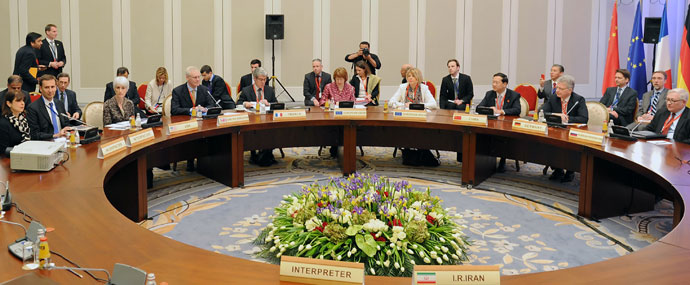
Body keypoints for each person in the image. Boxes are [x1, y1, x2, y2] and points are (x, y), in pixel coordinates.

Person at [541, 75, 588, 182]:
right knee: (549, 143)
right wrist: (556, 115)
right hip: (556, 131)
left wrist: (567, 118)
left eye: (560, 89)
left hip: (572, 132)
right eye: (556, 88)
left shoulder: (578, 100)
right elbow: (542, 112)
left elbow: (584, 118)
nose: (557, 91)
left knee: (570, 146)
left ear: (570, 90)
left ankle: (570, 170)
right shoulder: (553, 98)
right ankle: (558, 169)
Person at [478, 72, 521, 173]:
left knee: (503, 137)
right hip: (491, 124)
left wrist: (501, 111)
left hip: (506, 125)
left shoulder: (514, 95)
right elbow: (479, 107)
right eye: (493, 82)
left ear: (505, 84)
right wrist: (489, 109)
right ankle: (484, 160)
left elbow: (517, 110)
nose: (494, 84)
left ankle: (503, 160)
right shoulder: (489, 94)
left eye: (496, 82)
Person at [238, 67, 278, 166]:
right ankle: (256, 154)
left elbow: (276, 104)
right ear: (255, 79)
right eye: (261, 79)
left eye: (265, 79)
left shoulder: (269, 90)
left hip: (267, 120)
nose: (263, 82)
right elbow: (238, 104)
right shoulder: (246, 90)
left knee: (274, 131)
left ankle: (267, 153)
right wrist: (245, 104)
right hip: (252, 121)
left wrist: (269, 103)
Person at [320, 67, 355, 157]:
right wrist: (330, 103)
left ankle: (346, 146)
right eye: (337, 79)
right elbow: (322, 101)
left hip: (346, 115)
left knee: (347, 126)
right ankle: (335, 146)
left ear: (345, 79)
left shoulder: (350, 88)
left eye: (341, 79)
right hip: (333, 115)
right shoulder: (329, 87)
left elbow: (353, 103)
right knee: (335, 126)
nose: (339, 81)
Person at [26, 75, 72, 140]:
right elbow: (34, 134)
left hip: (63, 141)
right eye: (47, 87)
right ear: (41, 88)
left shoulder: (59, 103)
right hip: (46, 143)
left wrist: (74, 128)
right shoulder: (32, 108)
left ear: (56, 87)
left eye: (52, 87)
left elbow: (66, 124)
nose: (50, 91)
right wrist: (56, 135)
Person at [0, 90, 30, 154]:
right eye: (18, 101)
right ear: (9, 103)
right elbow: (3, 150)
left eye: (23, 100)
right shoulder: (3, 124)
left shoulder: (24, 119)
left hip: (26, 155)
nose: (23, 103)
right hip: (11, 159)